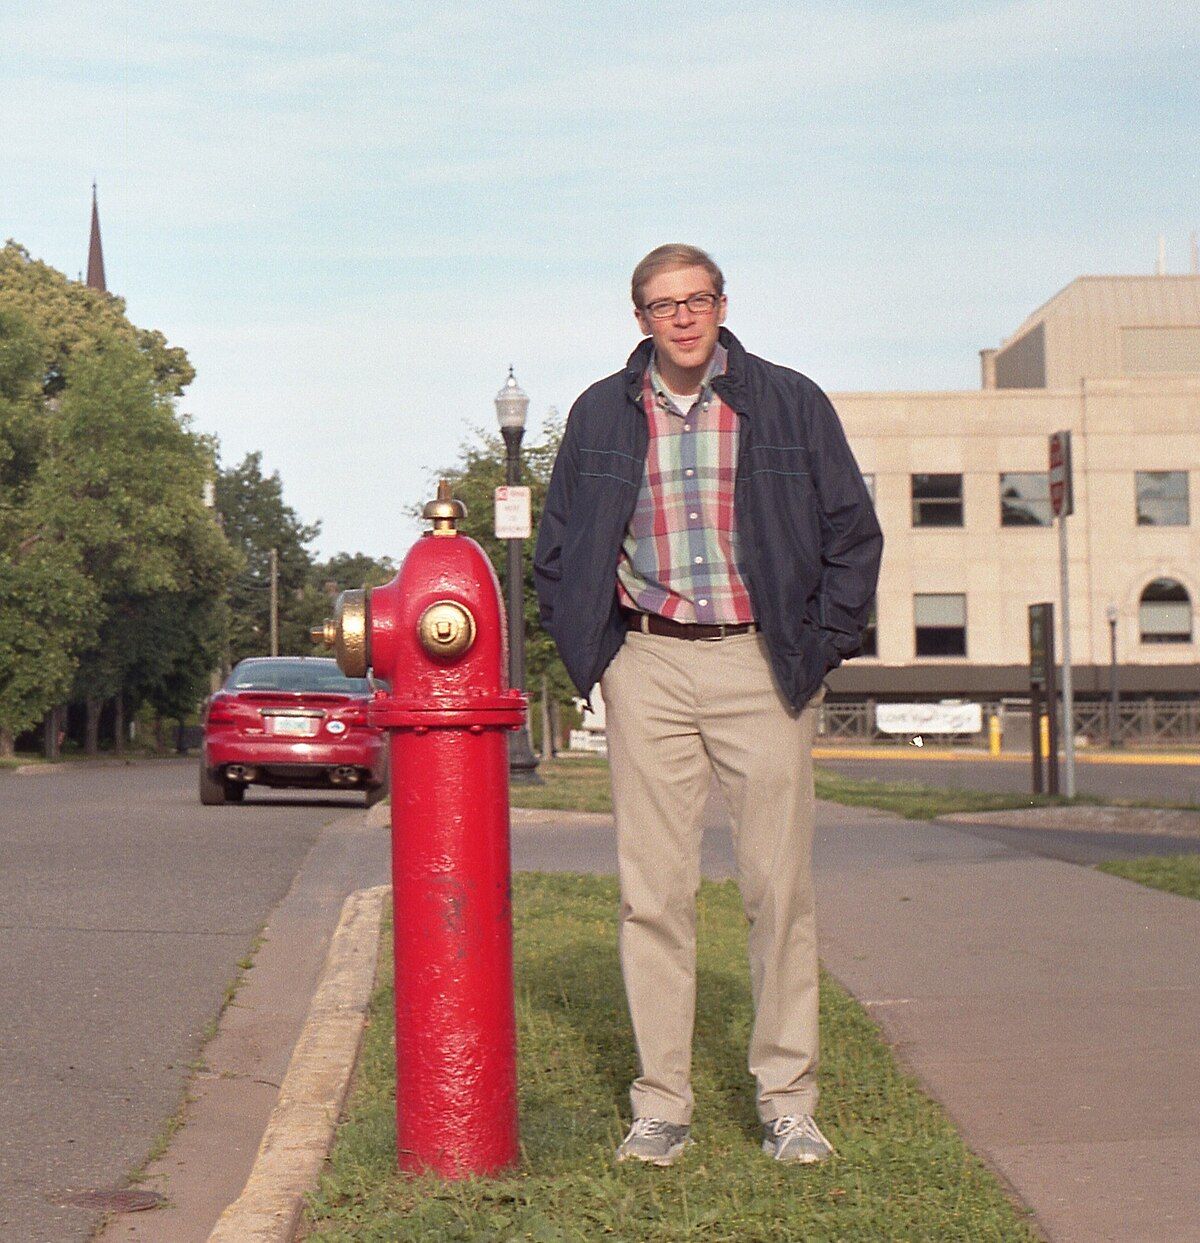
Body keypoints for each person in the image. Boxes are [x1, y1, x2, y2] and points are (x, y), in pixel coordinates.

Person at [534, 244, 882, 1166]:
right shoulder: (601, 414)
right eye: (663, 304)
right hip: (647, 664)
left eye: (698, 300)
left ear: (723, 306)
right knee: (654, 892)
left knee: (779, 889)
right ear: (639, 318)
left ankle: (786, 1099)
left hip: (760, 664)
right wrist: (597, 657)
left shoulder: (787, 401)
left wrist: (821, 643)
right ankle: (662, 1102)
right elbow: (559, 548)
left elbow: (853, 531)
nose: (683, 318)